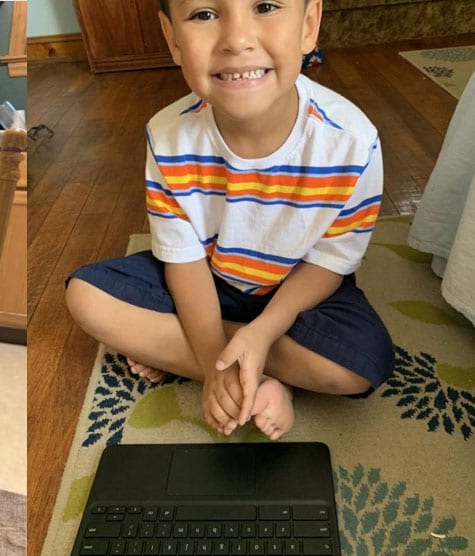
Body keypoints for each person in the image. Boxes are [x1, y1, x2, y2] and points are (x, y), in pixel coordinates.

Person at [65, 0, 394, 440]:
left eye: (266, 6)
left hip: (300, 291)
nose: (237, 40)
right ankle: (258, 375)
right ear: (172, 39)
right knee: (86, 297)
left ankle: (190, 350)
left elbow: (331, 263)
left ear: (309, 24)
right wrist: (211, 361)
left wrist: (261, 334)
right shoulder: (166, 135)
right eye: (204, 14)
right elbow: (182, 260)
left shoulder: (353, 142)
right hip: (206, 277)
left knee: (359, 364)